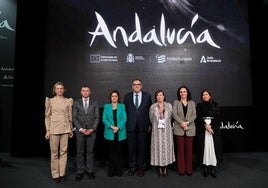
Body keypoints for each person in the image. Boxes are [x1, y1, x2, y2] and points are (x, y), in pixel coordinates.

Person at [44, 81, 73, 183]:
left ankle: (62, 174)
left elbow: (70, 117)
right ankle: (55, 174)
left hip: (65, 129)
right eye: (58, 88)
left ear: (63, 90)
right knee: (54, 153)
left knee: (64, 152)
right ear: (54, 90)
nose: (60, 90)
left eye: (61, 88)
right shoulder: (50, 101)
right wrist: (47, 130)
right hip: (53, 129)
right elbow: (47, 116)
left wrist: (70, 129)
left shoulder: (68, 101)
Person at [123, 78, 152, 177]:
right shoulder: (127, 97)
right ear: (132, 86)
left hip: (143, 126)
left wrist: (149, 124)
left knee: (142, 148)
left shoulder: (147, 96)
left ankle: (141, 167)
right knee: (131, 148)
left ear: (141, 85)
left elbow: (150, 112)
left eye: (138, 84)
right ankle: (132, 167)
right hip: (130, 126)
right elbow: (124, 112)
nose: (136, 86)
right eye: (134, 84)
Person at [72, 86, 100, 181]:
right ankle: (80, 171)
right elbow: (74, 117)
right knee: (80, 152)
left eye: (87, 91)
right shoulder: (76, 102)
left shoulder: (94, 102)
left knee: (90, 151)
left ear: (90, 92)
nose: (85, 92)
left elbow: (97, 117)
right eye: (83, 91)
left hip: (91, 131)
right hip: (80, 131)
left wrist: (92, 128)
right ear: (81, 92)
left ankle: (90, 170)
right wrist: (80, 129)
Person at [196, 89, 223, 178]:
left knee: (213, 149)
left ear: (210, 96)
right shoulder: (199, 106)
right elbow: (198, 118)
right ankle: (205, 168)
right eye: (203, 95)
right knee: (204, 149)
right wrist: (206, 126)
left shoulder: (215, 105)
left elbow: (218, 117)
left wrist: (211, 126)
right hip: (203, 130)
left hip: (213, 130)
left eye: (206, 94)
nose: (205, 96)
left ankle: (213, 168)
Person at [149, 89, 175, 178]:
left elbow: (171, 117)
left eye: (161, 95)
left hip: (167, 131)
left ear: (164, 96)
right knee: (158, 148)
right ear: (156, 97)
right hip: (156, 132)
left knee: (166, 148)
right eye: (157, 95)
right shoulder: (153, 107)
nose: (159, 97)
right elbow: (151, 119)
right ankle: (160, 167)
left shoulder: (169, 106)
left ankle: (166, 167)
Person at [102, 90, 127, 177]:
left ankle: (119, 170)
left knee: (119, 153)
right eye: (112, 96)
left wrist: (118, 127)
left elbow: (124, 118)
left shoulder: (122, 106)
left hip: (120, 132)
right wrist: (112, 127)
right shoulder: (106, 106)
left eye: (116, 96)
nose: (114, 97)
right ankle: (111, 171)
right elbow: (104, 119)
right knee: (112, 153)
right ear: (110, 98)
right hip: (110, 132)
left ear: (118, 97)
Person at [172, 85, 196, 176]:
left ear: (187, 93)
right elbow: (174, 114)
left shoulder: (192, 103)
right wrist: (182, 123)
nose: (183, 93)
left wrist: (187, 123)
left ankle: (189, 170)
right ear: (179, 93)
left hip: (190, 129)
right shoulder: (176, 102)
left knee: (189, 151)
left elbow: (194, 115)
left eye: (184, 91)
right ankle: (181, 170)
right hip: (179, 129)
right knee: (180, 151)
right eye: (181, 92)